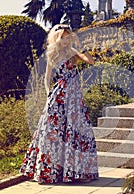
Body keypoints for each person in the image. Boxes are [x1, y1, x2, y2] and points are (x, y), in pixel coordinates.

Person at [20, 24, 99, 183]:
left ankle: (79, 172)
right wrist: (49, 95)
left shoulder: (73, 52)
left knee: (76, 130)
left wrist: (79, 44)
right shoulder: (52, 54)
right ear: (56, 38)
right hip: (59, 96)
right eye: (63, 36)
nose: (65, 39)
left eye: (68, 36)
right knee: (53, 132)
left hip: (74, 97)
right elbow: (47, 78)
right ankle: (51, 172)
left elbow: (91, 61)